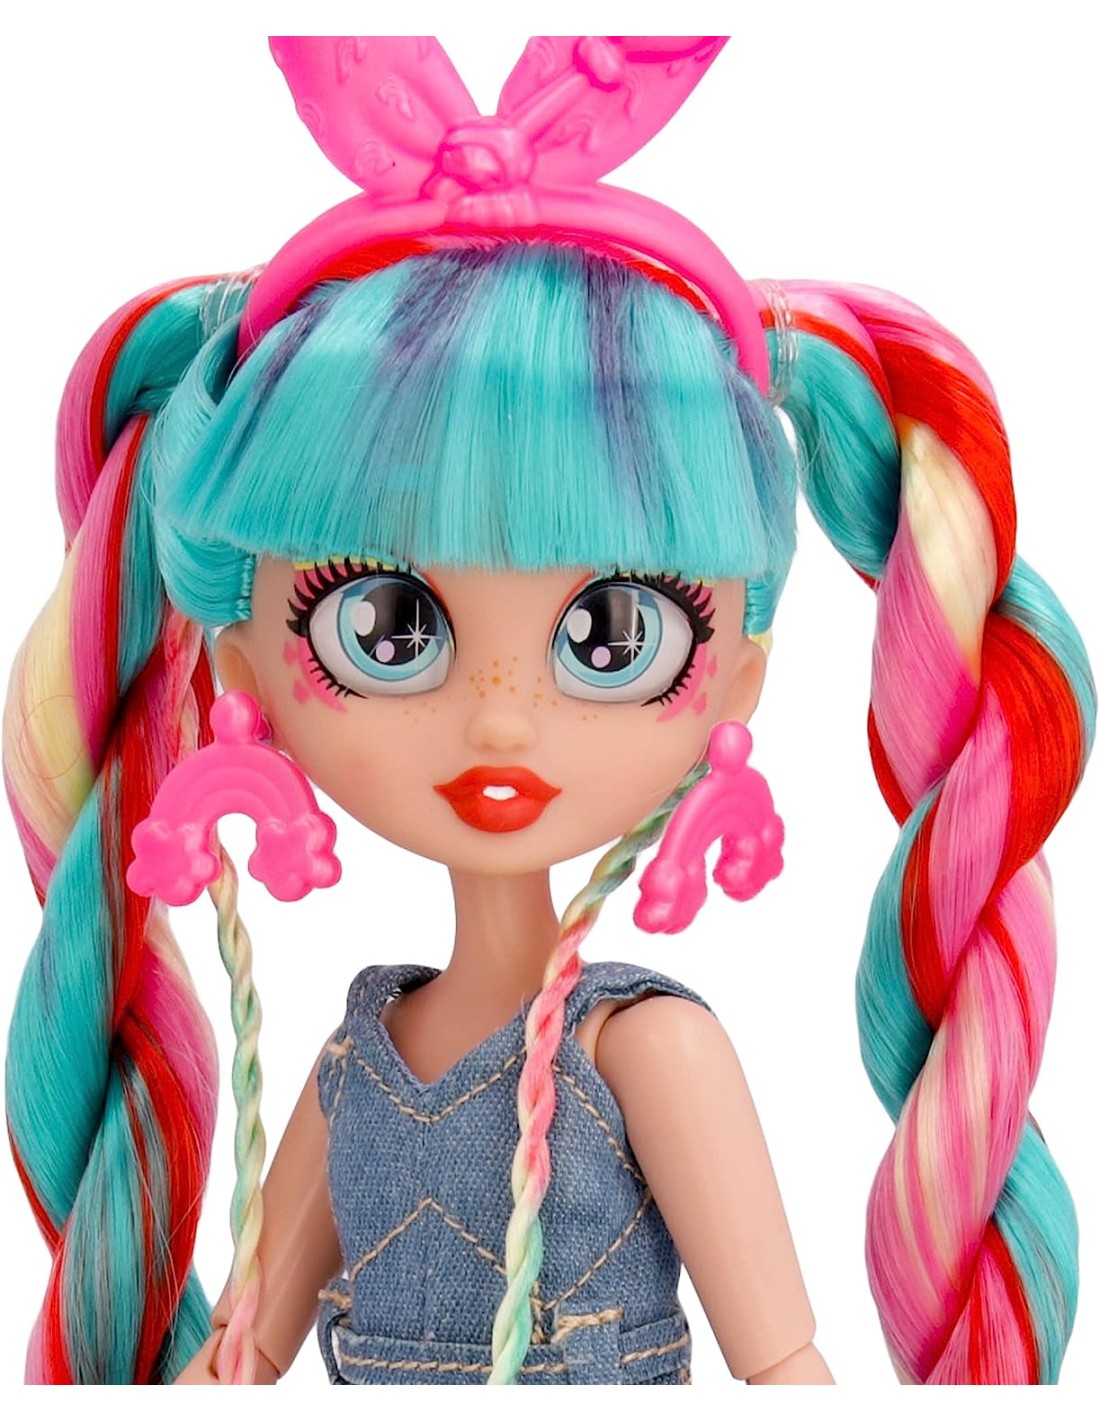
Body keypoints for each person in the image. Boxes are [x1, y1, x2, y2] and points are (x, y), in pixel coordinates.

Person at [2, 26, 1095, 1390]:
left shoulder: (650, 1053)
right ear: (243, 666)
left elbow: (785, 1366)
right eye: (386, 626)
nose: (502, 723)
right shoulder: (353, 1069)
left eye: (613, 635)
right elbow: (243, 1362)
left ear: (736, 681)